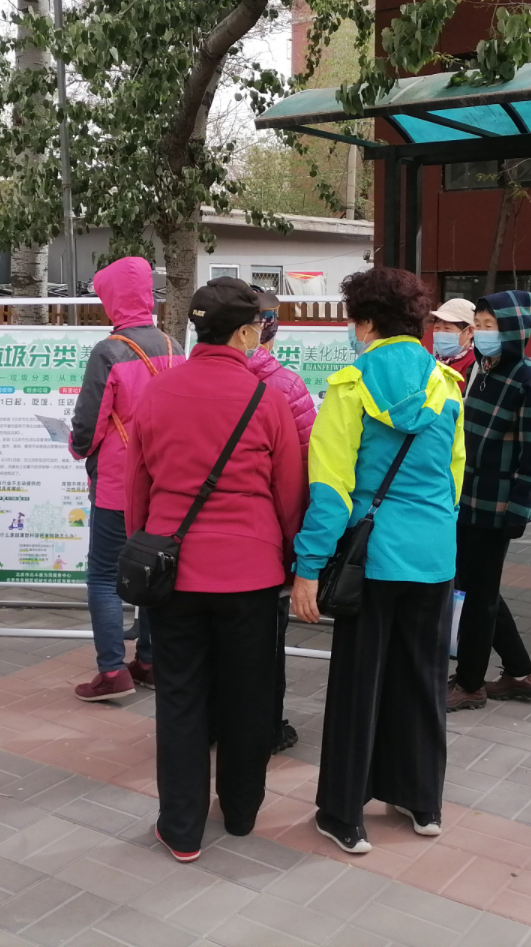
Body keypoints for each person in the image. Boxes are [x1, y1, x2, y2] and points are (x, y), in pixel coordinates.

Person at [128, 278, 308, 861]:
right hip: (251, 573)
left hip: (174, 571)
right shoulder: (266, 398)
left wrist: (144, 544)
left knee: (180, 697)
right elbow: (288, 494)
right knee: (248, 696)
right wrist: (290, 557)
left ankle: (181, 828)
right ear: (247, 332)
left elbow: (137, 486)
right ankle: (240, 813)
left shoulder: (157, 392)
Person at [290, 268, 465, 855]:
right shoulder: (447, 384)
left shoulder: (349, 386)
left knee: (358, 686)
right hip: (434, 555)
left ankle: (343, 815)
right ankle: (422, 802)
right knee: (422, 680)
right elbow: (455, 477)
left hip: (372, 557)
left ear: (364, 322)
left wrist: (308, 566)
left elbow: (332, 490)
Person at [68, 255, 183, 701]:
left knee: (103, 575)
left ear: (113, 298)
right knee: (154, 569)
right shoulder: (174, 345)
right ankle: (150, 661)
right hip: (164, 480)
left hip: (118, 482)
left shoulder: (109, 351)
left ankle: (113, 671)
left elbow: (89, 422)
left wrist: (77, 447)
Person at [446, 292, 531, 712]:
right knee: (476, 584)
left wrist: (519, 508)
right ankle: (521, 673)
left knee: (479, 593)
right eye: (480, 324)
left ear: (514, 331)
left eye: (491, 326)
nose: (483, 333)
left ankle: (470, 683)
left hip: (498, 504)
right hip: (466, 495)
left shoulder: (527, 377)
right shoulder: (482, 369)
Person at [246, 290, 316, 755]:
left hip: (196, 543)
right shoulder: (287, 387)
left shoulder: (188, 378)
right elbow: (304, 470)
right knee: (267, 641)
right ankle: (267, 728)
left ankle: (213, 722)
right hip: (267, 541)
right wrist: (299, 549)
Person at [429, 298, 478, 384]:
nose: (440, 333)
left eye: (447, 328)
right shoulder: (430, 364)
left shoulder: (476, 367)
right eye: (437, 328)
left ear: (470, 331)